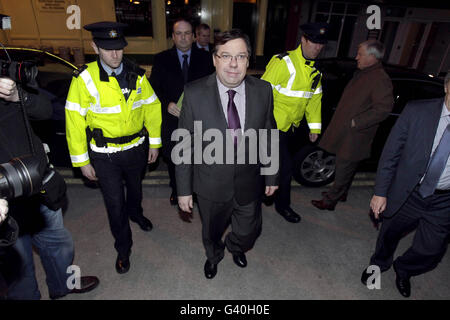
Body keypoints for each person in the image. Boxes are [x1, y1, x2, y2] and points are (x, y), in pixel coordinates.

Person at [176, 29, 279, 279]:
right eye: (226, 56)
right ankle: (214, 257)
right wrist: (183, 190)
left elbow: (269, 133)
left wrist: (272, 175)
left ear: (248, 60)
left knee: (249, 232)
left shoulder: (263, 91)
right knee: (211, 234)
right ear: (215, 59)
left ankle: (235, 246)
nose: (233, 64)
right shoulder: (194, 93)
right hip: (210, 186)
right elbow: (184, 145)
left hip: (248, 182)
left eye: (241, 56)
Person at [65, 21, 162, 274]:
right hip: (105, 155)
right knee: (114, 203)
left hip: (136, 149)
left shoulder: (137, 74)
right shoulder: (84, 79)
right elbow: (74, 121)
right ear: (95, 47)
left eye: (119, 47)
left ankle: (137, 213)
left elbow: (152, 106)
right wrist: (82, 161)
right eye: (108, 49)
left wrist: (154, 142)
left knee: (135, 189)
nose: (115, 54)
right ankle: (123, 248)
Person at [0, 77, 98, 299]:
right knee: (18, 267)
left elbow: (45, 110)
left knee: (58, 242)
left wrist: (18, 96)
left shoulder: (6, 76)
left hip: (38, 185)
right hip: (4, 201)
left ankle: (62, 285)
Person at [361, 72, 450, 298]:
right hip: (410, 192)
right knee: (389, 235)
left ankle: (405, 269)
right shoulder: (417, 110)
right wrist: (380, 192)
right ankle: (379, 264)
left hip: (444, 200)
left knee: (431, 250)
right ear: (447, 87)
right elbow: (391, 153)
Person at [311, 40, 393, 210]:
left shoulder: (379, 79)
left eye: (360, 54)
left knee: (343, 169)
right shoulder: (365, 73)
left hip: (355, 136)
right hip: (349, 132)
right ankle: (342, 193)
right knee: (347, 168)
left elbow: (384, 108)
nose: (356, 57)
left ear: (372, 57)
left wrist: (357, 122)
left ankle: (330, 201)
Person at [261, 22, 328, 223]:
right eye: (314, 42)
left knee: (269, 167)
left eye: (321, 44)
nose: (317, 47)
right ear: (303, 40)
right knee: (284, 168)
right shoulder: (284, 62)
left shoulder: (315, 71)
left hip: (292, 129)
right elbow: (262, 92)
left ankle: (263, 197)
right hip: (272, 127)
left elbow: (314, 101)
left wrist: (314, 127)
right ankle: (282, 206)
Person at [149, 18, 214, 216]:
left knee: (196, 157)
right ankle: (177, 190)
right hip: (172, 119)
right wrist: (166, 103)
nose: (183, 37)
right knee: (174, 157)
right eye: (179, 33)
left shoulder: (206, 58)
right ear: (173, 37)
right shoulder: (161, 59)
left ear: (194, 36)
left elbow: (213, 87)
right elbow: (153, 90)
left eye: (187, 33)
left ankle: (193, 189)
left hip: (198, 119)